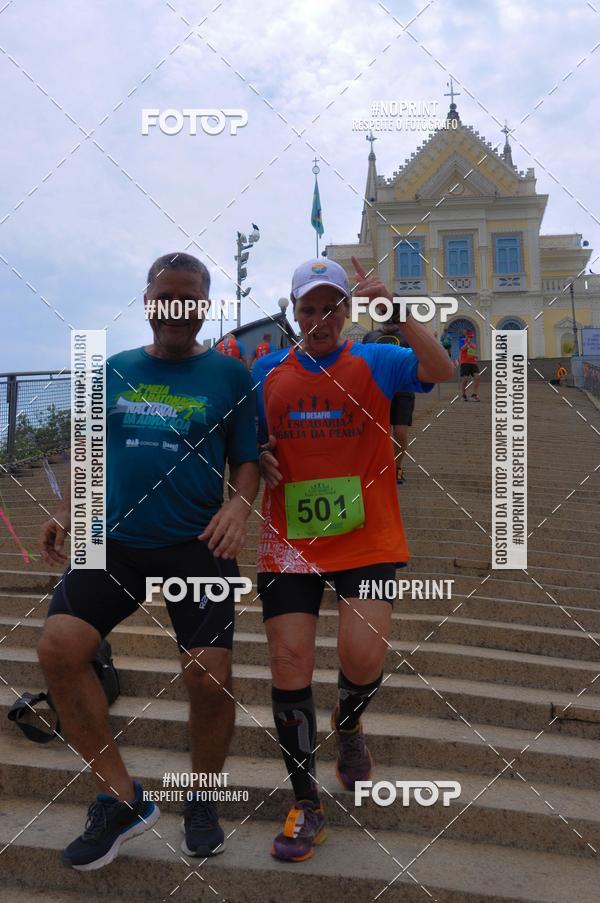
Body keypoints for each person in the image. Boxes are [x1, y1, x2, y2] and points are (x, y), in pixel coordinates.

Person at [38, 252, 259, 870]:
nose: (176, 309)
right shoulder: (114, 370)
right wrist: (73, 510)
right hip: (115, 540)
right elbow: (90, 449)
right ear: (148, 302)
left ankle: (203, 799)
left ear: (204, 306)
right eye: (165, 297)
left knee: (208, 674)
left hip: (197, 542)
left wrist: (239, 507)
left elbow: (247, 460)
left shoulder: (232, 377)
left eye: (189, 298)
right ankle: (122, 800)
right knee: (58, 648)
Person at [252, 256, 453, 863]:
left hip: (366, 536)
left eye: (331, 308)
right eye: (308, 309)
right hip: (290, 540)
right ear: (295, 313)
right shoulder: (265, 370)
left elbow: (441, 369)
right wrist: (257, 454)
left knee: (363, 655)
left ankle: (348, 721)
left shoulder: (377, 359)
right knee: (289, 662)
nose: (320, 319)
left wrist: (394, 311)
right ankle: (305, 802)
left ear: (346, 311)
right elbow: (243, 441)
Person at [362, 302, 414, 484]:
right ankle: (380, 468)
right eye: (384, 312)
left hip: (403, 390)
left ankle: (397, 468)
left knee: (400, 432)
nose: (389, 317)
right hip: (377, 392)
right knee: (378, 433)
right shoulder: (370, 337)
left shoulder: (408, 335)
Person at [459, 329, 480, 401]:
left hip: (473, 362)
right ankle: (463, 395)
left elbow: (471, 354)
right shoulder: (462, 341)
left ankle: (474, 395)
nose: (471, 338)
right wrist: (467, 343)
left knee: (477, 376)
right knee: (465, 378)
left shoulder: (473, 345)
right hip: (465, 362)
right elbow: (462, 348)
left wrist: (475, 356)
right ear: (466, 336)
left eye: (471, 337)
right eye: (469, 336)